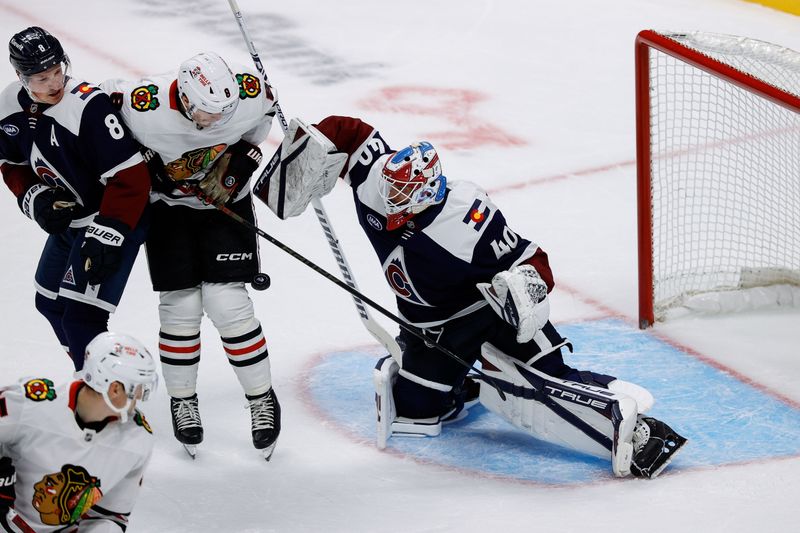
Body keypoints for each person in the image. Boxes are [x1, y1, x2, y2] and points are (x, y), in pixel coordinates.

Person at [257, 115, 688, 479]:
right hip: (432, 328)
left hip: (486, 310)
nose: (391, 206)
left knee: (547, 379)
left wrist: (520, 292)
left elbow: (534, 260)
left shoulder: (466, 219)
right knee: (415, 410)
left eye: (403, 199)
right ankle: (463, 386)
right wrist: (307, 150)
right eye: (391, 194)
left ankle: (633, 428)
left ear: (427, 194)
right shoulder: (377, 183)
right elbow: (348, 132)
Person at [101, 51, 280, 460]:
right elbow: (95, 107)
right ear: (183, 96)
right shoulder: (141, 103)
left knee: (227, 302)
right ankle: (183, 401)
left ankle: (261, 399)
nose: (216, 122)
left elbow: (266, 114)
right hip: (166, 207)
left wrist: (237, 166)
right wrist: (144, 167)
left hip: (225, 204)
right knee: (179, 306)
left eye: (224, 112)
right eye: (206, 113)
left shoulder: (249, 91)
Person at [0, 27, 151, 371]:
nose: (55, 83)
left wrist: (108, 236)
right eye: (42, 77)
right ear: (20, 75)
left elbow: (131, 178)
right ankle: (91, 378)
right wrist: (34, 197)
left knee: (81, 318)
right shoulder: (8, 105)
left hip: (113, 218)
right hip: (72, 221)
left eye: (58, 71)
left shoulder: (88, 106)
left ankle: (105, 399)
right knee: (49, 303)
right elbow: (10, 161)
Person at [0, 332, 158, 532]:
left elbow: (110, 515)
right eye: (137, 390)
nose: (138, 399)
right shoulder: (29, 403)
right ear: (115, 389)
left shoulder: (137, 439)